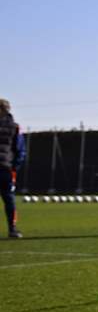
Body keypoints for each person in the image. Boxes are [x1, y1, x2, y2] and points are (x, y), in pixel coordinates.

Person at [0, 99, 25, 238]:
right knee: (9, 199)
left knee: (9, 199)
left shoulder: (15, 128)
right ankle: (13, 229)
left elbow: (20, 149)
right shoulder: (15, 127)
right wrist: (15, 166)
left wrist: (14, 167)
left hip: (6, 168)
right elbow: (20, 150)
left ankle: (12, 228)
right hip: (7, 167)